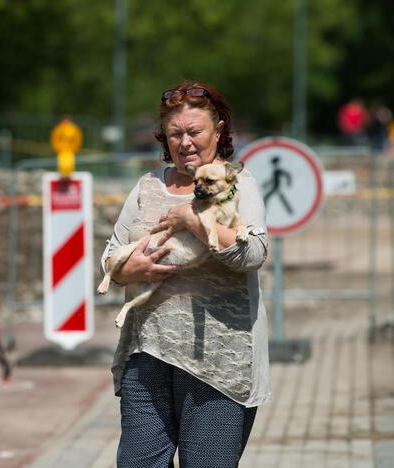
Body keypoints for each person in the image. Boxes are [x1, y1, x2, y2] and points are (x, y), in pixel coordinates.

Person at [100, 81, 270, 467]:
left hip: (219, 364)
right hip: (147, 355)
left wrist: (194, 221)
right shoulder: (147, 186)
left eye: (195, 131)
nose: (185, 142)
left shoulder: (239, 186)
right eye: (175, 133)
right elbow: (109, 257)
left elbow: (254, 254)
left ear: (219, 130)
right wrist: (129, 270)